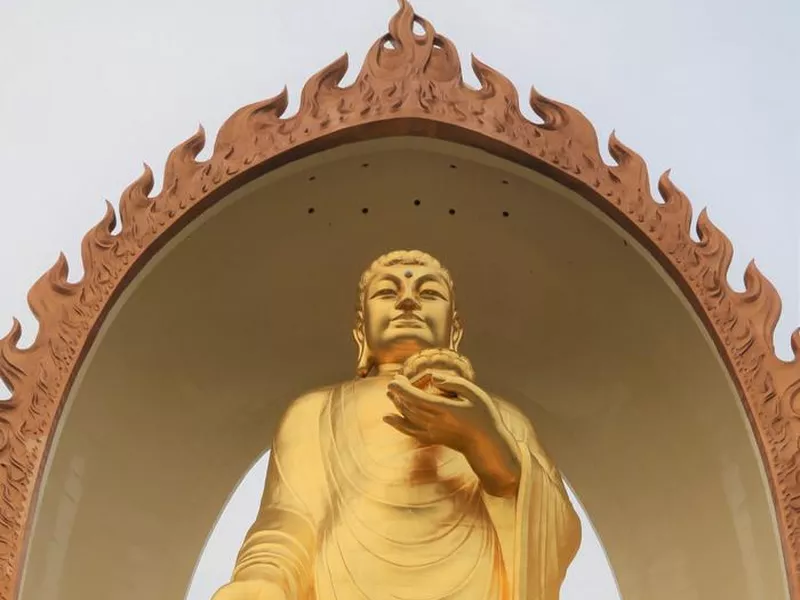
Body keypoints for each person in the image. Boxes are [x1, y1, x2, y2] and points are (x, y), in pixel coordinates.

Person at [212, 250, 580, 600]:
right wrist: (260, 580)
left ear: (455, 330)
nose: (408, 302)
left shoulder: (500, 416)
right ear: (361, 331)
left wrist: (484, 445)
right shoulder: (314, 412)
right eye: (388, 292)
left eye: (429, 293)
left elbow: (557, 534)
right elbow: (289, 521)